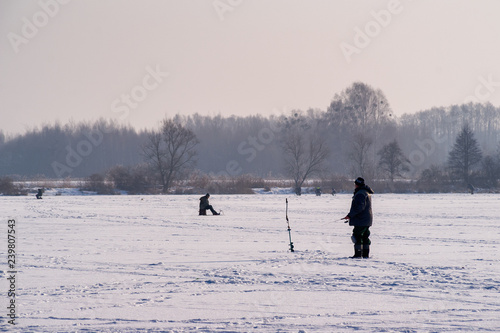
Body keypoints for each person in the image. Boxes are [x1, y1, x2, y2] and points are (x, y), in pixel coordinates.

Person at [342, 177, 374, 258]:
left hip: (361, 220)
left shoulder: (360, 193)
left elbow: (359, 208)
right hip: (367, 219)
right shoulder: (366, 192)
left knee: (357, 236)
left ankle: (358, 254)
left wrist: (349, 215)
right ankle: (365, 255)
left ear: (357, 184)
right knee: (365, 236)